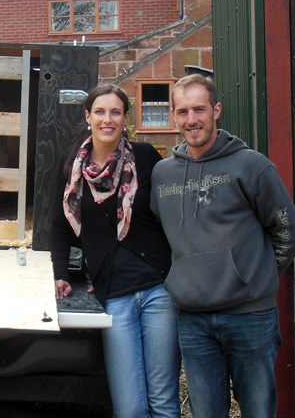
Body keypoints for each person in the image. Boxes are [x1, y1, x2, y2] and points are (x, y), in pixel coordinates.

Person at [150, 74, 295, 418]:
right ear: (173, 115)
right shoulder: (163, 174)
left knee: (257, 410)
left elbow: (289, 232)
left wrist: (253, 276)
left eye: (200, 109)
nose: (192, 120)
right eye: (183, 111)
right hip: (193, 319)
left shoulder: (251, 166)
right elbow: (162, 235)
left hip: (249, 316)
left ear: (216, 110)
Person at [51, 84, 180, 418]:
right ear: (88, 117)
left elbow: (171, 213)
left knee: (164, 402)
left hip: (158, 288)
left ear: (126, 118)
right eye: (100, 112)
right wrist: (60, 274)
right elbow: (59, 226)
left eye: (115, 112)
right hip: (115, 293)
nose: (107, 119)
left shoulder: (146, 156)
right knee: (130, 408)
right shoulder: (72, 170)